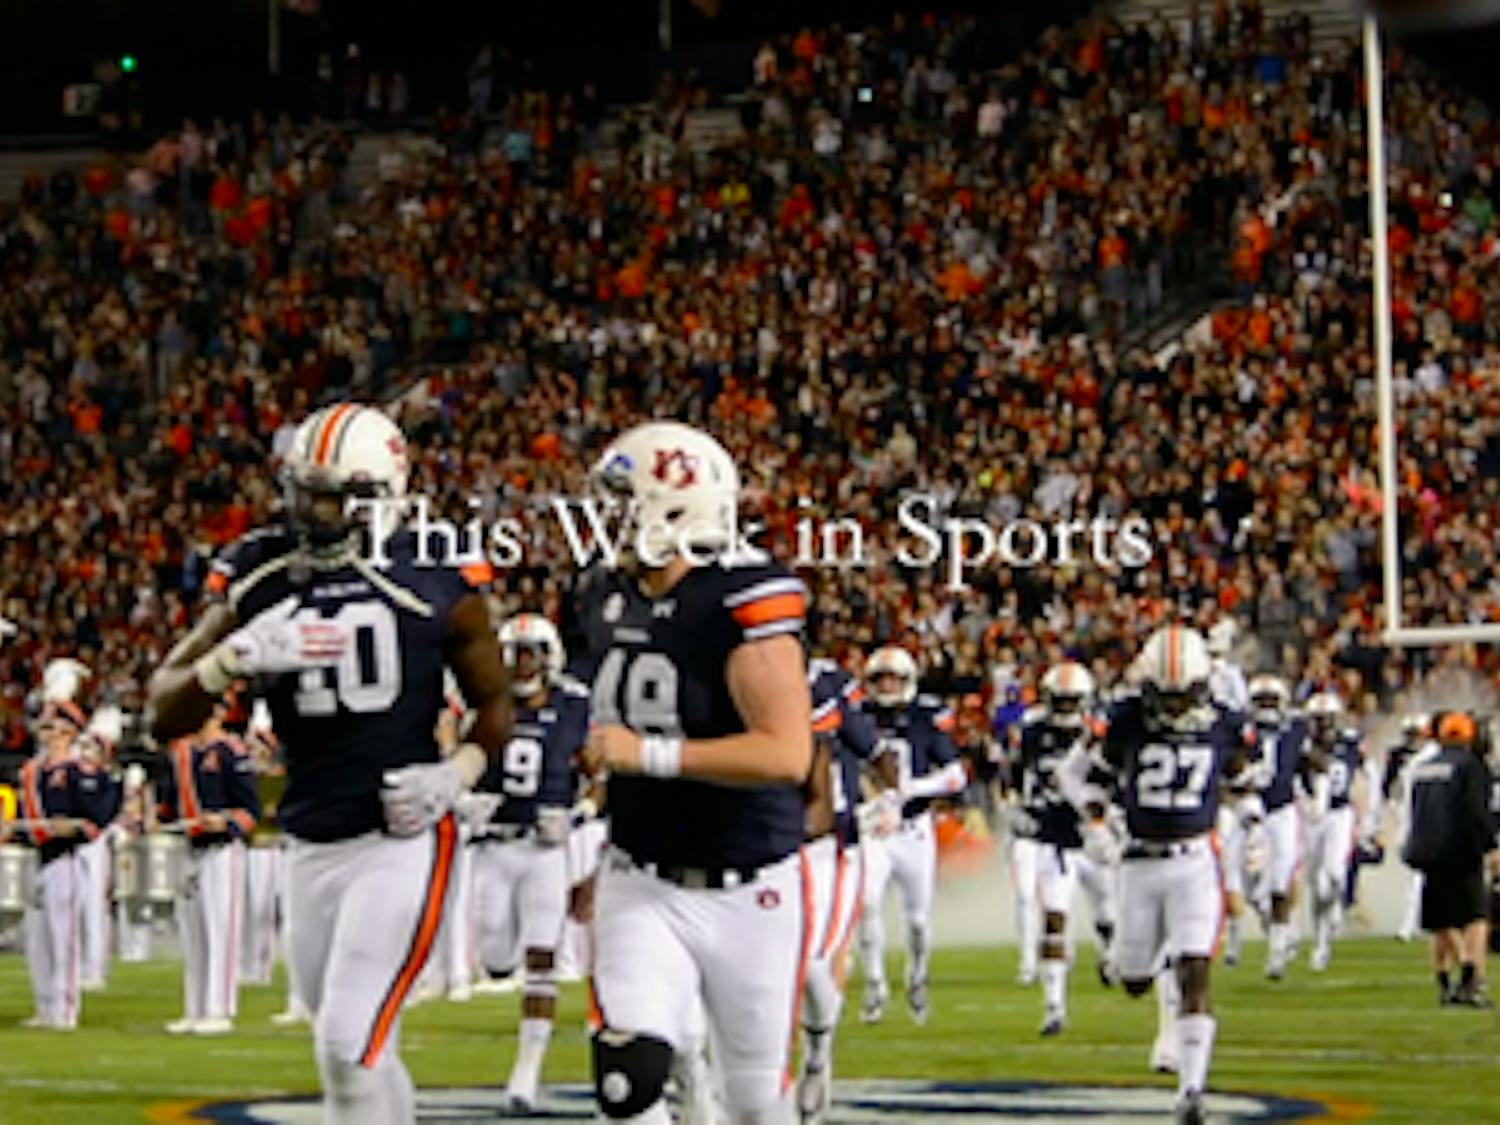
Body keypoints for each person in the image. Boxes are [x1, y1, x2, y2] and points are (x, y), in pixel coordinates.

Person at [147, 402, 513, 1125]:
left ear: (384, 496)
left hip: (398, 836)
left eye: (335, 495)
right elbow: (163, 710)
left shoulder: (437, 577)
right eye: (306, 490)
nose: (314, 511)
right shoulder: (262, 570)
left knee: (347, 1044)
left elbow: (497, 704)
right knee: (359, 1045)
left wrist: (461, 769)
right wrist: (232, 661)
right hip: (310, 839)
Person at [575, 419, 813, 1125]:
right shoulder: (605, 593)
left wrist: (647, 754)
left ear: (677, 505)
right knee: (628, 1080)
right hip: (640, 875)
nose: (611, 517)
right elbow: (606, 734)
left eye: (626, 499)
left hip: (751, 884)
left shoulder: (742, 594)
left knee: (755, 1101)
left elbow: (786, 753)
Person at [1103, 625, 1247, 1125]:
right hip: (1139, 863)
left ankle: (1191, 1092)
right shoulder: (1123, 720)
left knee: (1196, 970)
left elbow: (1246, 779)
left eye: (1180, 694)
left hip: (1194, 863)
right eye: (1163, 695)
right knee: (1135, 980)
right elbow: (1084, 773)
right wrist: (1095, 813)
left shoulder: (1226, 724)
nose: (1170, 707)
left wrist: (1243, 826)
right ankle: (1152, 959)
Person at [469, 612, 588, 1113]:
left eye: (529, 653)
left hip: (544, 851)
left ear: (549, 655)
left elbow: (598, 769)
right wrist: (466, 799)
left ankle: (526, 1074)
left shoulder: (573, 707)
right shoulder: (488, 706)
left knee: (542, 957)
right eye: (513, 654)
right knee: (496, 959)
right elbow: (459, 754)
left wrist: (583, 811)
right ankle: (500, 971)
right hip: (495, 848)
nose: (520, 664)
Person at [796, 653, 892, 1124]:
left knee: (813, 964)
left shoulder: (825, 683)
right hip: (754, 842)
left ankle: (817, 1054)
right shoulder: (721, 674)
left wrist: (891, 797)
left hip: (829, 845)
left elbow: (875, 752)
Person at [857, 645, 966, 1026]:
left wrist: (912, 789)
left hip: (914, 830)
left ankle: (917, 978)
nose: (886, 686)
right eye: (879, 679)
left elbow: (956, 775)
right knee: (867, 904)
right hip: (871, 829)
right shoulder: (858, 717)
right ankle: (874, 983)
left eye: (893, 679)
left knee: (917, 919)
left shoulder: (925, 717)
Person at [1013, 661, 1113, 1037]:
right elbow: (1021, 776)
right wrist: (1021, 808)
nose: (1067, 709)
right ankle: (1054, 1005)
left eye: (1073, 702)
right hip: (1054, 836)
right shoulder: (1033, 731)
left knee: (1108, 916)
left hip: (1094, 838)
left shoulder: (1100, 733)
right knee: (1054, 919)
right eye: (1061, 701)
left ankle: (1107, 953)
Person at [11, 705, 115, 1030]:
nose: (50, 736)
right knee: (38, 939)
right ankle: (44, 1004)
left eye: (57, 729)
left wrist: (71, 827)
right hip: (34, 856)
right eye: (46, 729)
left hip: (65, 857)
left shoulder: (79, 770)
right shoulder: (30, 771)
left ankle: (65, 1007)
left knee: (62, 935)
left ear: (70, 733)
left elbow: (95, 817)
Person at [161, 703, 261, 1034]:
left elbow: (250, 809)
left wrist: (225, 821)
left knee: (221, 928)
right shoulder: (181, 752)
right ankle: (195, 1006)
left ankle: (220, 1007)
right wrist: (158, 818)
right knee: (193, 933)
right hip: (188, 846)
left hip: (221, 848)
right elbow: (169, 800)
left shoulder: (232, 751)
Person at [1403, 711, 1495, 1008]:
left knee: (1441, 920)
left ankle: (1444, 982)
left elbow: (1415, 809)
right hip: (1460, 849)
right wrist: (1490, 847)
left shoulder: (1425, 766)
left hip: (1428, 850)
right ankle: (1471, 979)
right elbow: (1474, 811)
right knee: (1475, 917)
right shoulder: (1471, 766)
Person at [1302, 693, 1368, 972]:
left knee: (1333, 873)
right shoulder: (1301, 744)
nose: (1323, 725)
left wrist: (1367, 815)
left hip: (1340, 814)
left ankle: (1338, 907)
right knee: (1316, 885)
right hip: (1310, 817)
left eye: (1326, 719)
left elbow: (1367, 776)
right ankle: (1320, 941)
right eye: (1318, 720)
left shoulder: (1350, 742)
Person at [1252, 677, 1310, 980]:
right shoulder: (1242, 731)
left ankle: (1276, 953)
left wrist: (1315, 790)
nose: (1266, 708)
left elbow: (1310, 763)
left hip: (1283, 811)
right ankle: (1282, 929)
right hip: (1250, 810)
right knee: (1250, 887)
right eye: (1261, 701)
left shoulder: (1295, 730)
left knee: (1278, 882)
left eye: (1271, 701)